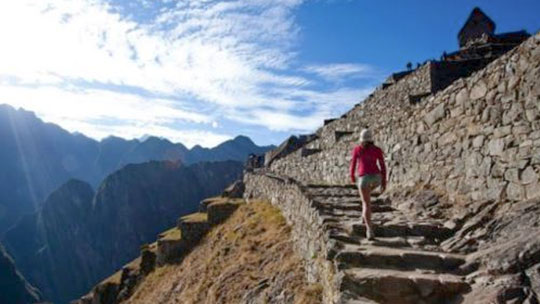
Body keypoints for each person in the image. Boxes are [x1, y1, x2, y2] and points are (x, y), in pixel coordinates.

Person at [349, 129, 387, 240]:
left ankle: (369, 229)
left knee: (366, 203)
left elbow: (353, 164)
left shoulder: (357, 149)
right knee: (366, 198)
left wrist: (352, 176)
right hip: (376, 178)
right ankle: (363, 217)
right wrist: (384, 181)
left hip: (364, 178)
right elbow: (382, 166)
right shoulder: (377, 150)